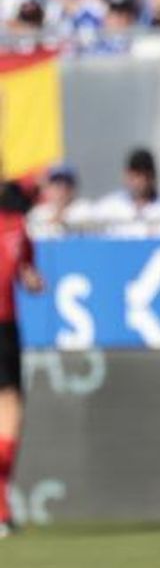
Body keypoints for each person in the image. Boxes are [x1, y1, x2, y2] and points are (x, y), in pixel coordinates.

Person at [0, 179, 43, 535]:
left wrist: (31, 279)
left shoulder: (16, 225)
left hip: (5, 328)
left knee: (11, 417)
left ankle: (2, 510)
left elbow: (26, 269)